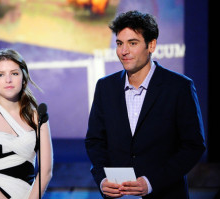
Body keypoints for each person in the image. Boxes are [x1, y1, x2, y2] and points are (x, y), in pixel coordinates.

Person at [85, 10, 206, 199]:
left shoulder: (179, 87)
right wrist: (102, 179)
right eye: (119, 44)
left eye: (132, 43)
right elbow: (95, 141)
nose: (124, 51)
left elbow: (193, 146)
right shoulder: (105, 87)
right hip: (118, 196)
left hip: (165, 194)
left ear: (151, 45)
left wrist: (151, 182)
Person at [0, 48, 53, 199]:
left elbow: (46, 171)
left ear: (24, 78)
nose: (8, 80)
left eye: (14, 73)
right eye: (1, 75)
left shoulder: (38, 117)